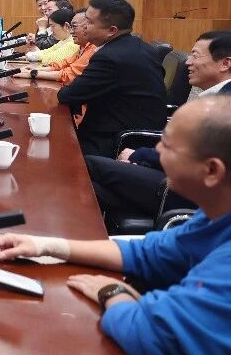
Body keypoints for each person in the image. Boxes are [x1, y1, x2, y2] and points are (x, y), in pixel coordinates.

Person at [0, 95, 231, 355]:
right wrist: (45, 246)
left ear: (212, 171)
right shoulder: (213, 216)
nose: (158, 149)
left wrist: (112, 292)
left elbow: (150, 335)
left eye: (169, 145)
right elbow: (148, 253)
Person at [83, 31, 231, 221]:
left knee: (87, 165)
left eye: (195, 56)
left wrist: (139, 156)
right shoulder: (217, 97)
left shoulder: (224, 105)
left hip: (186, 191)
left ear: (225, 63)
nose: (188, 62)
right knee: (91, 190)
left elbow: (199, 157)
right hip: (173, 177)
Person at [57, 0, 167, 157]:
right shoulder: (139, 47)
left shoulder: (109, 57)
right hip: (139, 132)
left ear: (112, 30)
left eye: (89, 22)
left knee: (55, 145)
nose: (83, 26)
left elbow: (69, 94)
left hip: (118, 142)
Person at [16, 9, 98, 84]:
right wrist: (35, 69)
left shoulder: (91, 47)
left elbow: (68, 73)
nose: (71, 31)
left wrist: (33, 73)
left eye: (74, 27)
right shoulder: (82, 45)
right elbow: (62, 64)